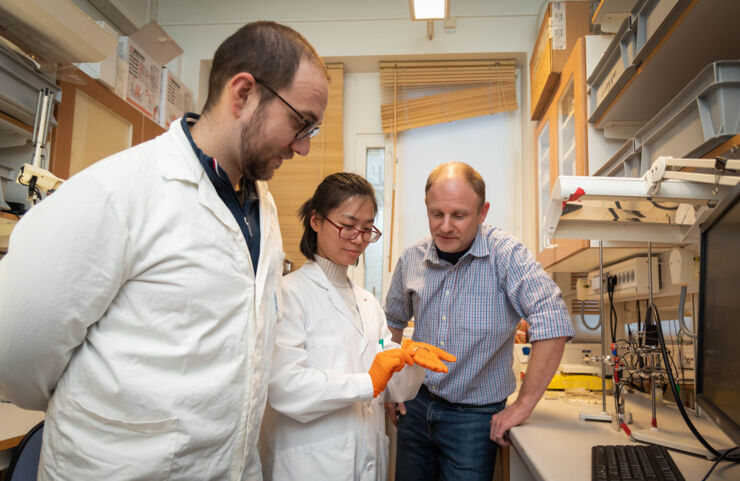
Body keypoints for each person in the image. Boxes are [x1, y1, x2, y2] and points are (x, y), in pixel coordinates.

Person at [0, 21, 329, 480]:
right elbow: (18, 355)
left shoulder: (262, 208)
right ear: (242, 94)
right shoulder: (115, 192)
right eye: (300, 123)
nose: (305, 146)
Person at [385, 162, 576, 480]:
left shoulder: (507, 255)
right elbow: (391, 322)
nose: (445, 226)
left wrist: (524, 405)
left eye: (459, 215)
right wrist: (392, 388)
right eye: (436, 214)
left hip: (474, 420)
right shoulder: (411, 259)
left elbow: (552, 320)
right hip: (415, 407)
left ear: (483, 212)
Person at [259, 173, 455, 481]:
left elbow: (389, 381)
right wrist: (367, 382)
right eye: (348, 226)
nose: (359, 238)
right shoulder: (287, 294)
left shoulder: (366, 302)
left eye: (367, 229)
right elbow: (283, 387)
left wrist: (409, 361)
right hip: (310, 464)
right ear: (316, 221)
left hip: (365, 458)